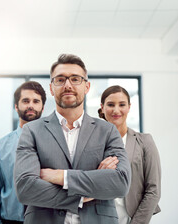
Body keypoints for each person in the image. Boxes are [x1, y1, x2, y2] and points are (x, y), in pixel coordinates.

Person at [14, 54, 131, 224]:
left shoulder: (107, 131)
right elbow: (25, 188)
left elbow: (120, 183)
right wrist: (83, 195)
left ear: (87, 86)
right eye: (60, 79)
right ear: (52, 88)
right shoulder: (31, 131)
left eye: (75, 79)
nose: (68, 85)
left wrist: (62, 177)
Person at [98, 85, 161, 224]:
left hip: (132, 219)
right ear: (102, 107)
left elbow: (153, 190)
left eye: (122, 104)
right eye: (110, 104)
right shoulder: (91, 144)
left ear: (129, 107)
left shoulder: (145, 141)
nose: (116, 110)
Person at [0, 81, 46, 224]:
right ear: (16, 106)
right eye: (25, 101)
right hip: (10, 221)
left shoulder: (56, 145)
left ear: (42, 107)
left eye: (36, 101)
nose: (31, 105)